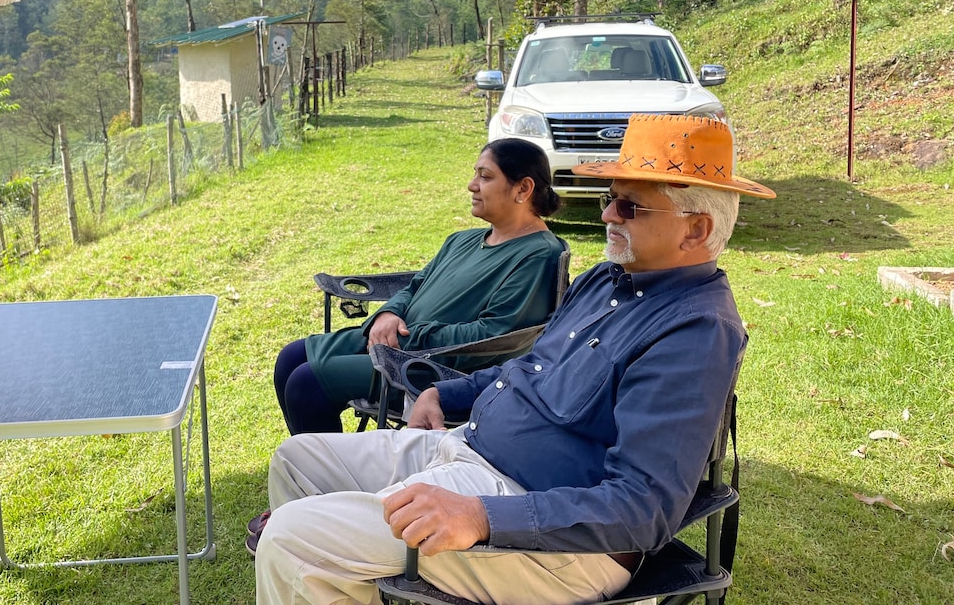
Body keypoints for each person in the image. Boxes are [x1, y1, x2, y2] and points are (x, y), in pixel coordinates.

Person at [252, 114, 774, 605]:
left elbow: (643, 508)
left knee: (294, 538)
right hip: (468, 451)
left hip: (553, 540)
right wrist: (444, 392)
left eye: (630, 207)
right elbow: (530, 366)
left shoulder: (694, 331)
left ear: (697, 230)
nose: (608, 215)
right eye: (610, 199)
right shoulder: (605, 281)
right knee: (297, 462)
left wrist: (483, 516)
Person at [274, 138, 566, 436]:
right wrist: (388, 314)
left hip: (435, 368)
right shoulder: (461, 240)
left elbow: (496, 335)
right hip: (400, 344)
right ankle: (320, 468)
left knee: (306, 383)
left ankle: (327, 479)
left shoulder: (538, 254)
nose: (471, 185)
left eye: (485, 176)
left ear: (523, 189)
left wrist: (409, 337)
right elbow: (414, 287)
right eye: (475, 174)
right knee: (291, 358)